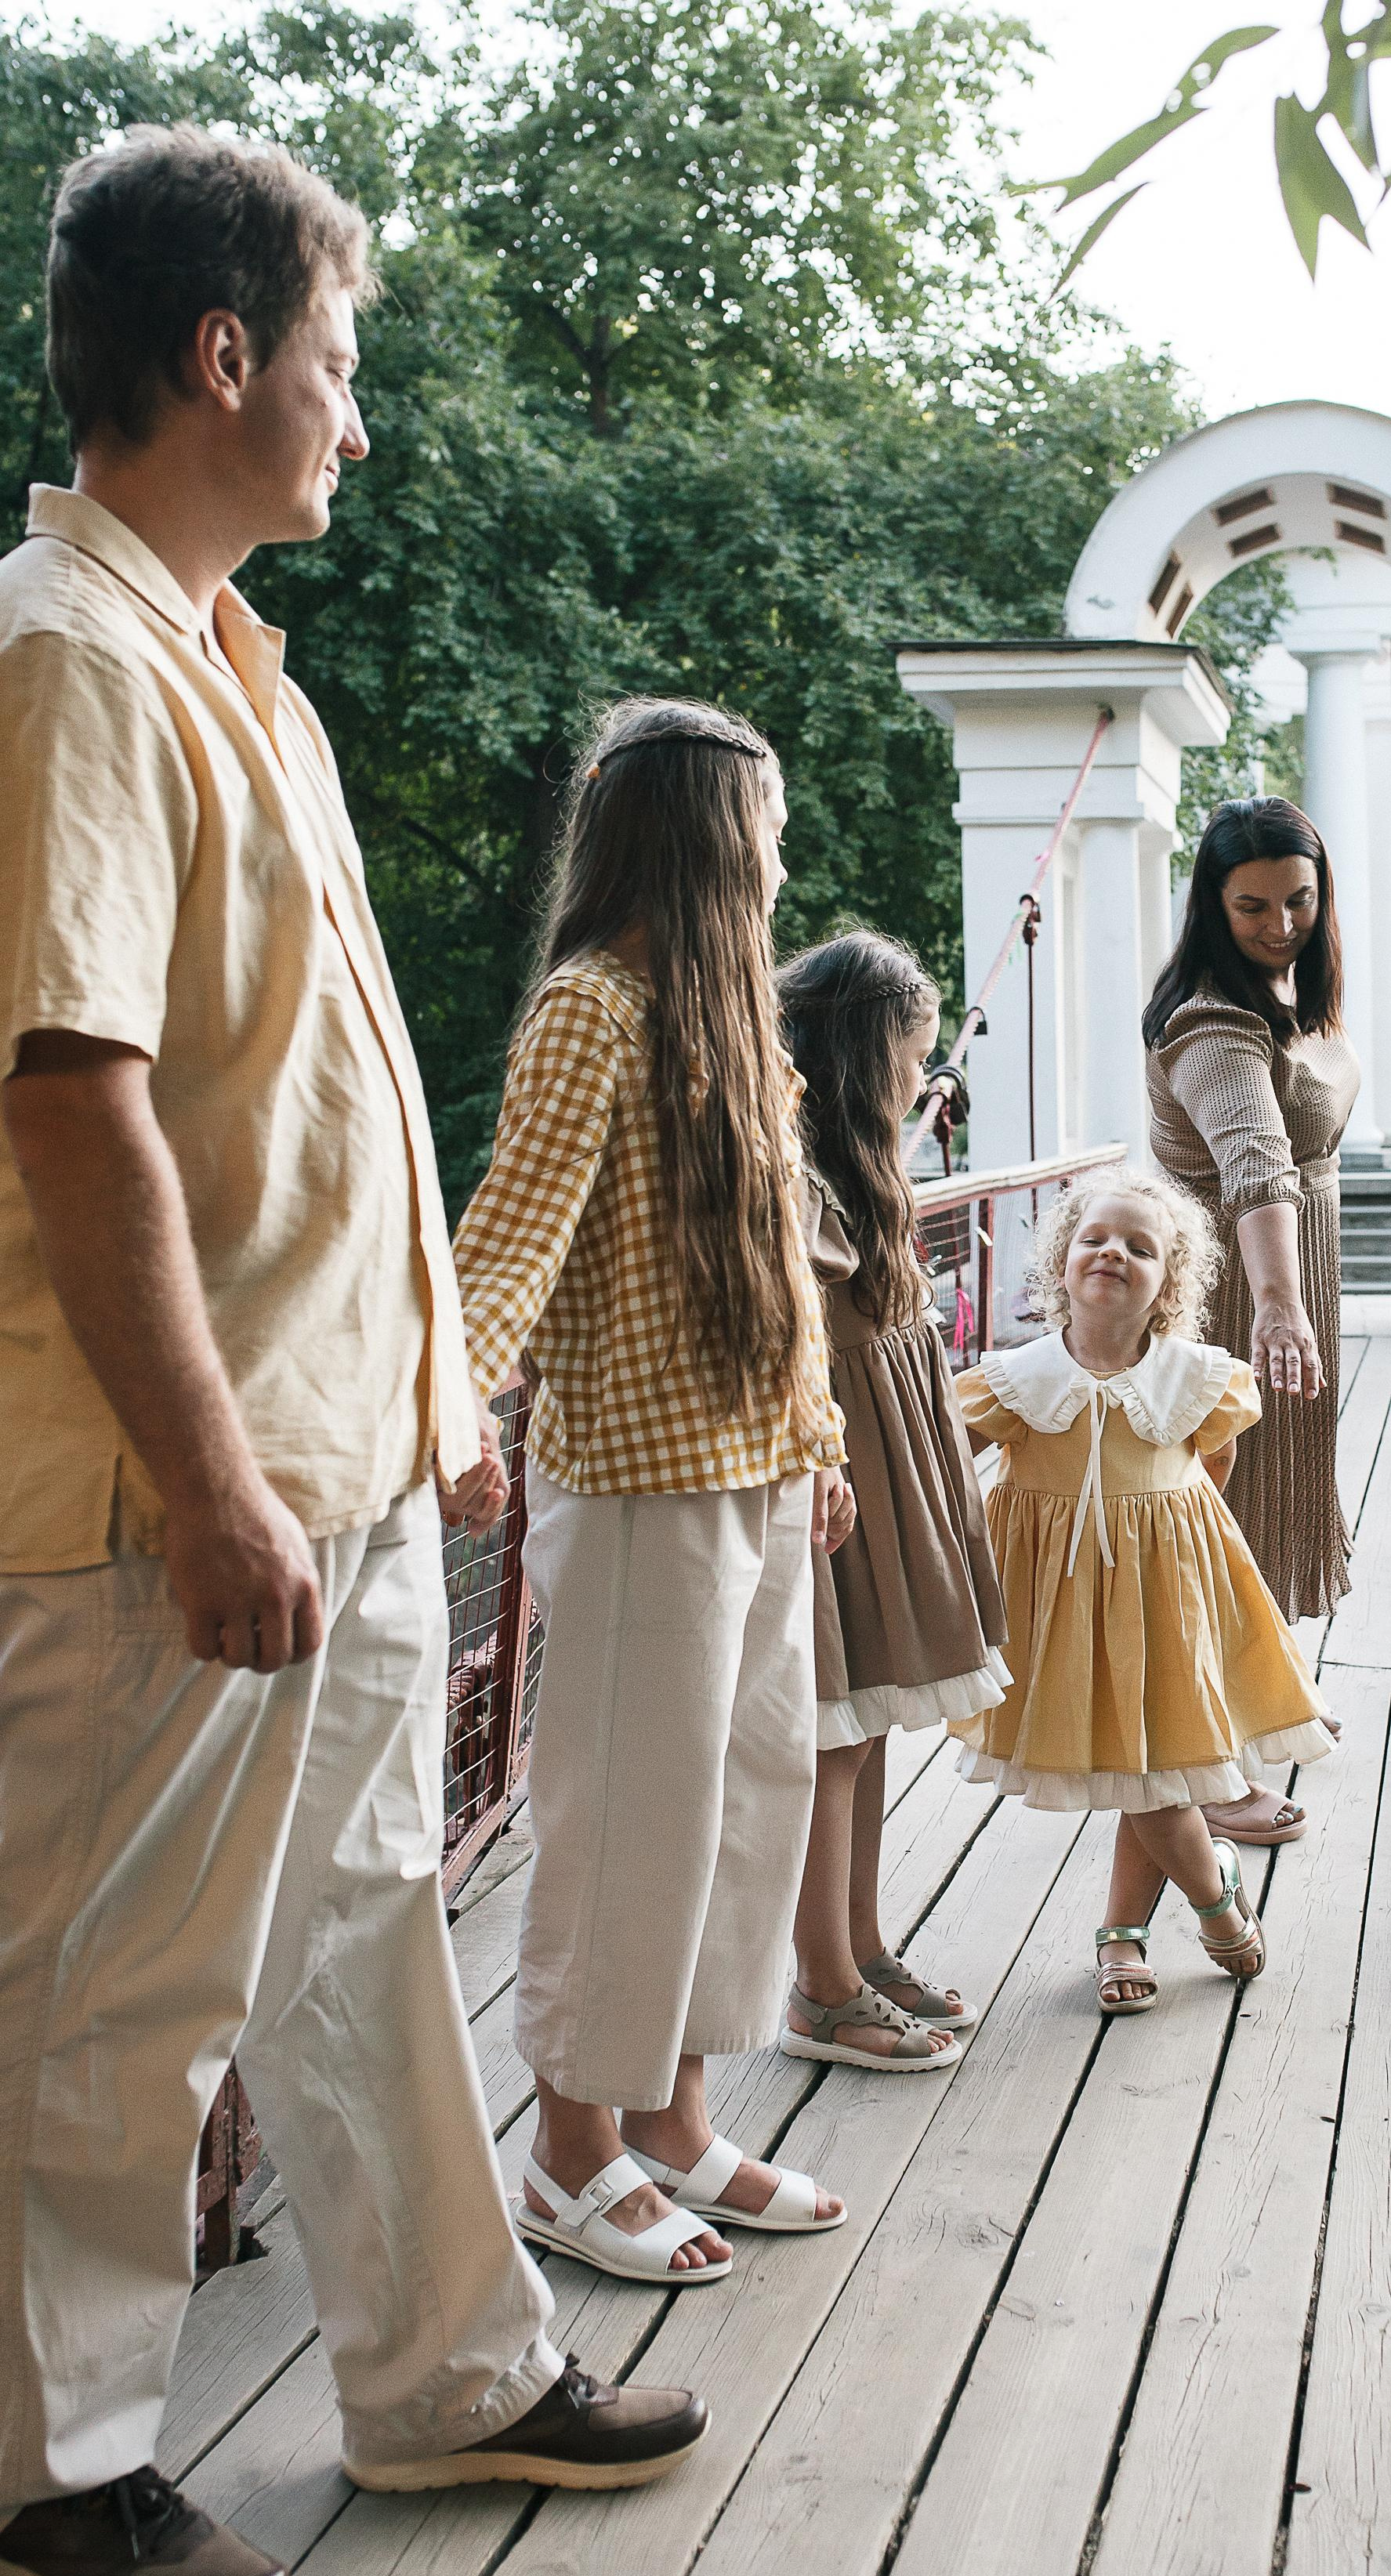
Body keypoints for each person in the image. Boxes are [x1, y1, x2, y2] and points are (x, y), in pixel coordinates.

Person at [0, 129, 704, 2576]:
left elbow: (291, 1100)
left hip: (345, 1458)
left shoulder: (226, 669)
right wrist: (205, 1478)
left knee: (364, 1929)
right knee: (112, 1989)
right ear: (221, 359)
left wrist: (428, 1396)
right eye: (342, 363)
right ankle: (53, 2472)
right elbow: (67, 1093)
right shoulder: (67, 655)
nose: (360, 425)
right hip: (176, 1491)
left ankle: (441, 2368)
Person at [454, 696, 853, 2288]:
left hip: (753, 1477)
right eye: (757, 826)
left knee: (742, 1803)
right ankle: (566, 2151)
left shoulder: (732, 1023)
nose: (773, 857)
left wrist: (818, 1440)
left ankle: (675, 2121)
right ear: (696, 834)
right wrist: (449, 1412)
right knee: (627, 1819)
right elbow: (512, 1234)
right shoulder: (593, 1010)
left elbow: (779, 1274)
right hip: (633, 1484)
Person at [948, 1170, 1335, 2012]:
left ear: (1169, 1284)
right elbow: (945, 1464)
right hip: (1061, 1602)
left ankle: (1128, 1929)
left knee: (1151, 1761)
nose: (1111, 1252)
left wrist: (1165, 1535)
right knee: (1140, 1763)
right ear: (1061, 1262)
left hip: (1165, 1588)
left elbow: (1211, 1462)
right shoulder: (1019, 1379)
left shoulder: (1195, 1376)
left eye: (1138, 1246)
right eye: (1093, 1238)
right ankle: (1213, 1890)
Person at [775, 931, 1009, 2071]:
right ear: (868, 1057)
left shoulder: (856, 1168)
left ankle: (859, 1947)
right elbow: (796, 1336)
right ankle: (819, 1980)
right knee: (832, 1725)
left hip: (885, 1452)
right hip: (841, 1470)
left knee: (862, 1718)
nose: (927, 1081)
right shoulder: (800, 1179)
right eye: (914, 1056)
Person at [1144, 796, 1359, 1695]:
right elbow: (1256, 1164)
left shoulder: (1286, 992)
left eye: (1298, 901)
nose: (1281, 925)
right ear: (1211, 905)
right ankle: (1205, 1761)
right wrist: (1277, 1305)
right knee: (1229, 1504)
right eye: (1253, 907)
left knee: (1272, 1488)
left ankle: (1259, 1702)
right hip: (1239, 1292)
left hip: (1292, 1283)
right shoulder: (1209, 1020)